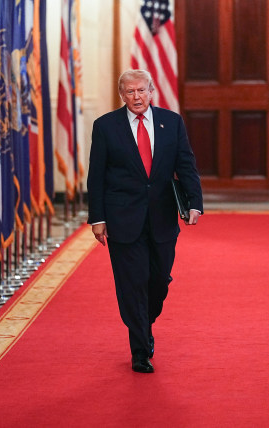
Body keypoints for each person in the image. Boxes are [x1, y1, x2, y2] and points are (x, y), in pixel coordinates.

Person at [87, 69, 203, 373]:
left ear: (151, 91)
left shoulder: (171, 122)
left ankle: (145, 321)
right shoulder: (105, 127)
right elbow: (96, 176)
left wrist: (195, 203)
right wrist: (97, 219)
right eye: (129, 92)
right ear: (121, 95)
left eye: (141, 91)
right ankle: (140, 348)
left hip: (163, 216)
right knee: (132, 284)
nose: (136, 97)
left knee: (158, 281)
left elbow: (186, 165)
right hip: (122, 217)